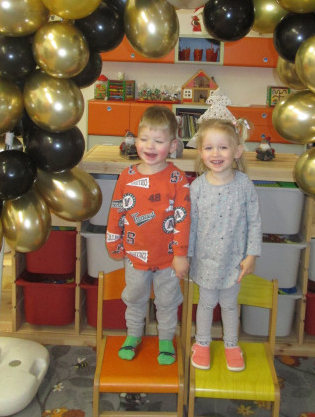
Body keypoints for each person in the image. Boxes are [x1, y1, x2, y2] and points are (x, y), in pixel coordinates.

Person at [106, 105, 191, 365]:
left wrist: (180, 254)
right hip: (135, 255)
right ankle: (133, 335)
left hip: (168, 258)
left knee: (167, 302)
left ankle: (166, 340)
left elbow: (183, 218)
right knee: (135, 298)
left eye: (158, 141)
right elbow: (117, 209)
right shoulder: (127, 175)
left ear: (173, 145)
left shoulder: (177, 178)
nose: (150, 146)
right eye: (144, 139)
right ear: (136, 141)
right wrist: (113, 239)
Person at [188, 118, 262, 372]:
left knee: (230, 305)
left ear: (237, 151)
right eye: (209, 148)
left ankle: (231, 344)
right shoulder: (197, 187)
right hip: (205, 260)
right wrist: (186, 255)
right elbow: (190, 225)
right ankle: (202, 343)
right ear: (201, 152)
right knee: (206, 303)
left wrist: (252, 255)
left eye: (223, 147)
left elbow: (254, 221)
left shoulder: (244, 185)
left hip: (234, 260)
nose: (216, 154)